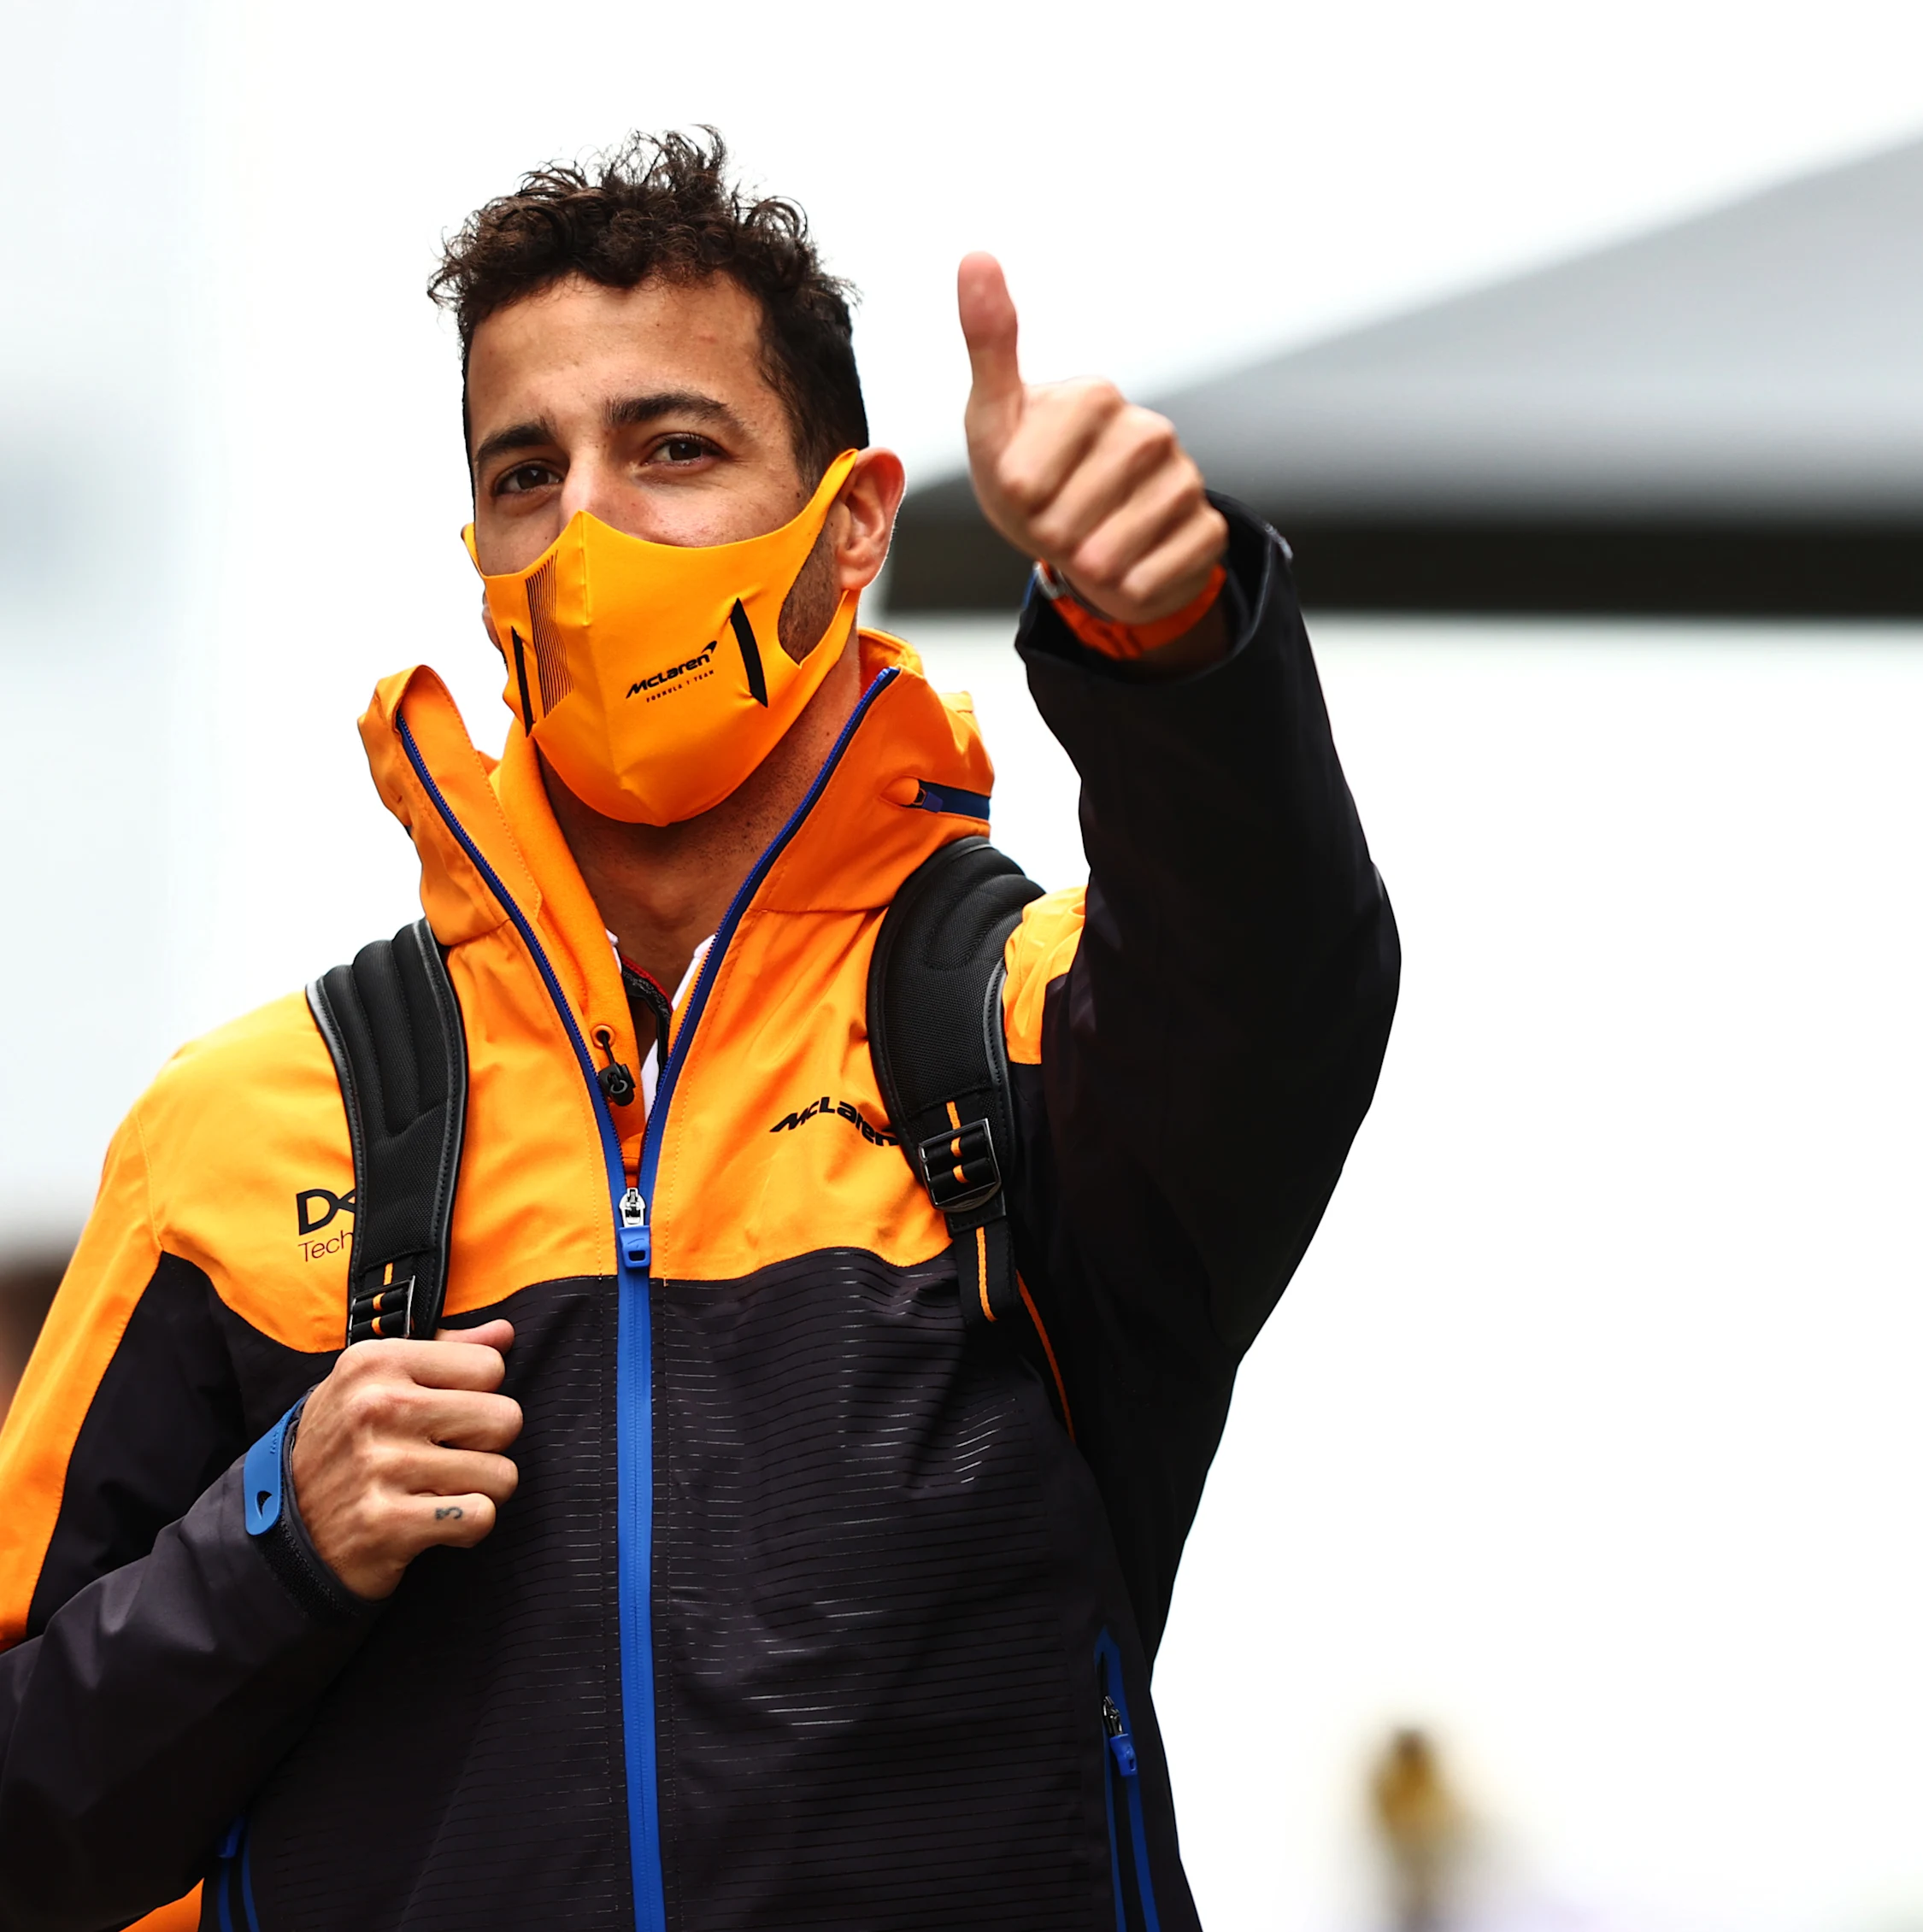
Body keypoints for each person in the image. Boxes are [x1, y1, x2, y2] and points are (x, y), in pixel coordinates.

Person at [0, 130, 1397, 1932]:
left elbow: (1276, 988)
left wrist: (1176, 644)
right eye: (526, 471)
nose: (587, 527)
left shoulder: (1012, 1038)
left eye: (672, 447)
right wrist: (275, 1535)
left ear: (855, 525)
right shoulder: (253, 1126)